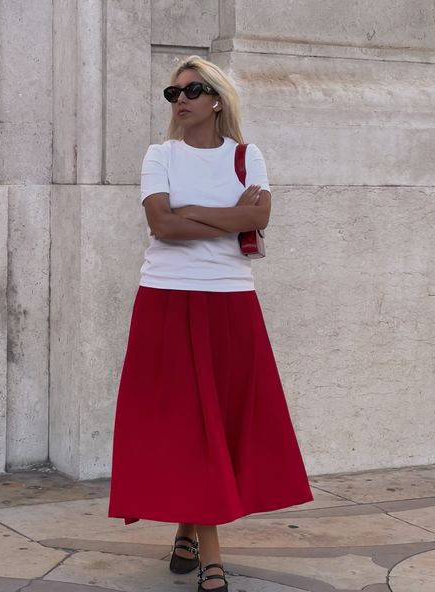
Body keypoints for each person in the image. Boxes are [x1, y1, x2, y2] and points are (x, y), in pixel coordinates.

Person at [107, 55, 313, 592]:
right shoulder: (160, 155)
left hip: (229, 301)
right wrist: (224, 216)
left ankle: (186, 531)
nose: (181, 102)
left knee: (216, 421)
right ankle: (210, 553)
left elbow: (258, 218)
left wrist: (189, 211)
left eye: (193, 91)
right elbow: (161, 226)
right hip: (166, 300)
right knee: (183, 423)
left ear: (217, 99)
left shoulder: (248, 157)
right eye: (173, 94)